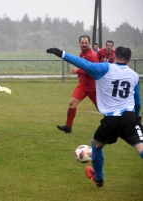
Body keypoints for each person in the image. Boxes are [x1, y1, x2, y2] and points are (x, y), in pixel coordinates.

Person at [47, 46, 143, 187]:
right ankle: (98, 177)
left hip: (111, 119)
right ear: (129, 60)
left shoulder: (105, 69)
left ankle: (98, 178)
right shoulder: (134, 75)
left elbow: (84, 64)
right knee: (141, 148)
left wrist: (62, 53)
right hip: (130, 117)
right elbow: (138, 101)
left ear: (114, 55)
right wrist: (138, 115)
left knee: (96, 145)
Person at [57, 35, 99, 133]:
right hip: (83, 85)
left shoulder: (91, 55)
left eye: (86, 43)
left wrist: (78, 71)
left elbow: (93, 70)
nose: (84, 44)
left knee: (102, 109)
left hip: (93, 87)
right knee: (72, 103)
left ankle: (116, 125)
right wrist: (79, 74)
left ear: (89, 43)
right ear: (79, 43)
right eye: (82, 43)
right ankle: (68, 127)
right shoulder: (82, 53)